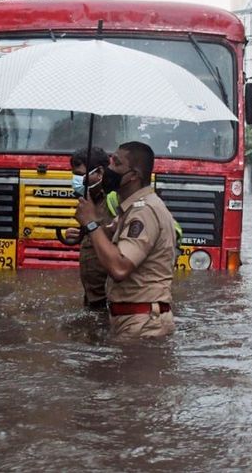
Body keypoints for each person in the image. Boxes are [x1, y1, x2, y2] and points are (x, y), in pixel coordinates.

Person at [74, 141, 177, 339]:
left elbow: (120, 268)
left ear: (134, 176)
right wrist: (86, 230)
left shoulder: (143, 211)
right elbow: (111, 238)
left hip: (143, 324)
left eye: (117, 164)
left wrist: (91, 224)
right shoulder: (131, 209)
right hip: (134, 320)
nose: (109, 169)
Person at [65, 147, 115, 309]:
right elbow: (94, 236)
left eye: (80, 175)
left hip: (111, 298)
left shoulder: (114, 199)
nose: (76, 180)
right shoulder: (87, 201)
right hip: (93, 297)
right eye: (74, 175)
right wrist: (79, 235)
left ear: (100, 172)